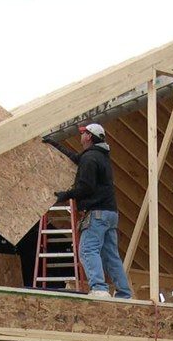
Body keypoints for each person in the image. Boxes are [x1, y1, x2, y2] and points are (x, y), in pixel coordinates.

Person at [53, 123, 132, 299]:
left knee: (88, 249)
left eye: (83, 133)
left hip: (96, 213)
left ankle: (99, 288)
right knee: (111, 255)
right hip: (110, 212)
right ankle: (124, 293)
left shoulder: (90, 158)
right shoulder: (100, 156)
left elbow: (86, 187)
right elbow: (77, 158)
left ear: (89, 137)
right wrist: (56, 146)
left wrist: (65, 195)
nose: (81, 136)